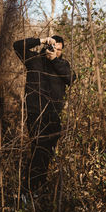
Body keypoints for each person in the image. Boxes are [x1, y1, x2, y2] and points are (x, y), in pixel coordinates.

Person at [13, 35, 76, 193]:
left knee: (47, 154)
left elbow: (71, 78)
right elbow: (17, 45)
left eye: (59, 50)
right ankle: (29, 190)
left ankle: (39, 187)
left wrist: (55, 60)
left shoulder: (62, 64)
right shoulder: (34, 60)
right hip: (36, 114)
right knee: (37, 151)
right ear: (48, 46)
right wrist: (41, 40)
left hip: (54, 117)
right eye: (54, 47)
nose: (56, 51)